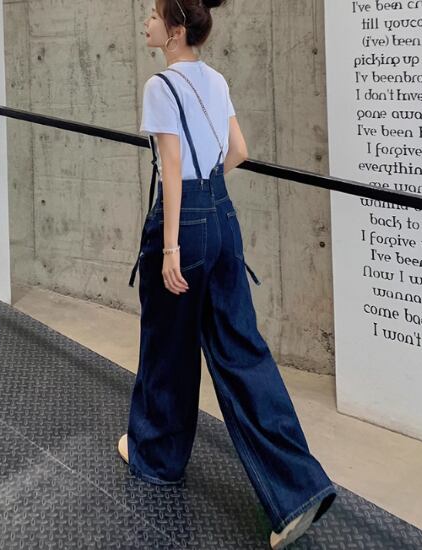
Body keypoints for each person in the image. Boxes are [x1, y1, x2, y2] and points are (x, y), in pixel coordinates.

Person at [119, 1, 337, 547]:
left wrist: (172, 246)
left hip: (184, 222)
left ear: (174, 31)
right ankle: (298, 488)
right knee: (243, 351)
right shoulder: (216, 80)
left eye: (152, 15)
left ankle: (156, 457)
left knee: (168, 346)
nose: (145, 21)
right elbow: (238, 150)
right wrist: (209, 192)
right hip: (223, 215)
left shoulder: (160, 86)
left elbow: (171, 170)